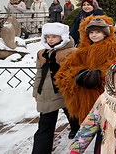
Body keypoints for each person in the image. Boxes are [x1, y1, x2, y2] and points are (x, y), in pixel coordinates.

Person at [55, 15, 116, 153]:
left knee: (107, 134)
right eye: (91, 32)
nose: (94, 35)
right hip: (88, 101)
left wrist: (100, 75)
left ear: (105, 32)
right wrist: (79, 75)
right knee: (93, 130)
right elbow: (63, 74)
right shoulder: (81, 51)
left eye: (98, 32)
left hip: (108, 100)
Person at [31, 23, 79, 153]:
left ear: (63, 37)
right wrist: (36, 92)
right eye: (48, 37)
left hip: (67, 92)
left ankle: (76, 129)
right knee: (45, 126)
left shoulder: (72, 53)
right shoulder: (42, 54)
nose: (50, 39)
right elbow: (39, 74)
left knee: (73, 114)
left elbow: (77, 73)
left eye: (54, 36)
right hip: (48, 93)